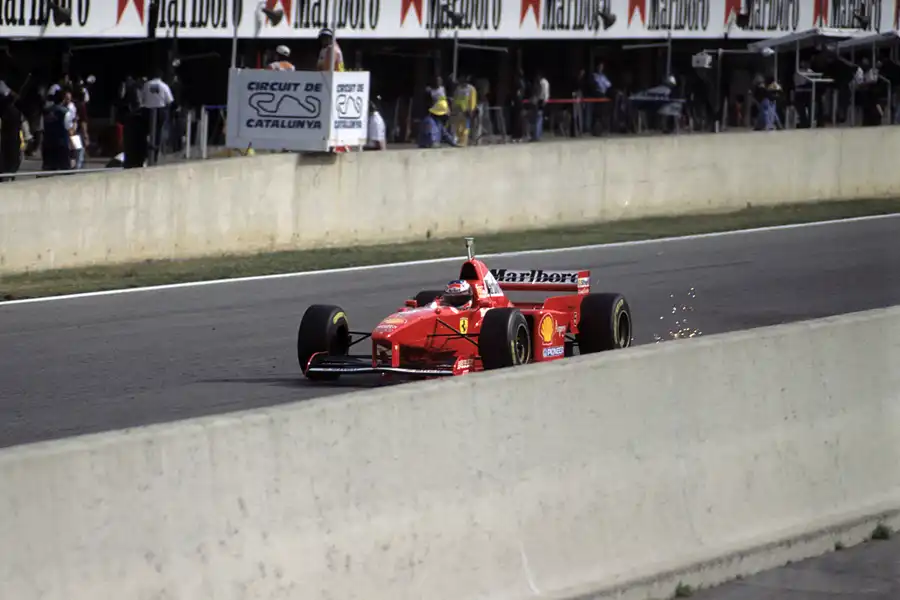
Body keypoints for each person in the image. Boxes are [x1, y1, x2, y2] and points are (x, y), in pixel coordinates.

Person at [141, 70, 174, 165]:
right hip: (160, 110)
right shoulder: (164, 86)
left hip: (147, 110)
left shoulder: (146, 85)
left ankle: (145, 153)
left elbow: (142, 99)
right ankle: (154, 154)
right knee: (158, 132)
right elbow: (169, 100)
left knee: (146, 132)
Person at [41, 90, 72, 172]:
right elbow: (68, 127)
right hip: (61, 144)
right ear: (63, 99)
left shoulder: (46, 111)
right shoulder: (66, 112)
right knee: (64, 170)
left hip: (48, 143)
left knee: (48, 170)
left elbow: (43, 126)